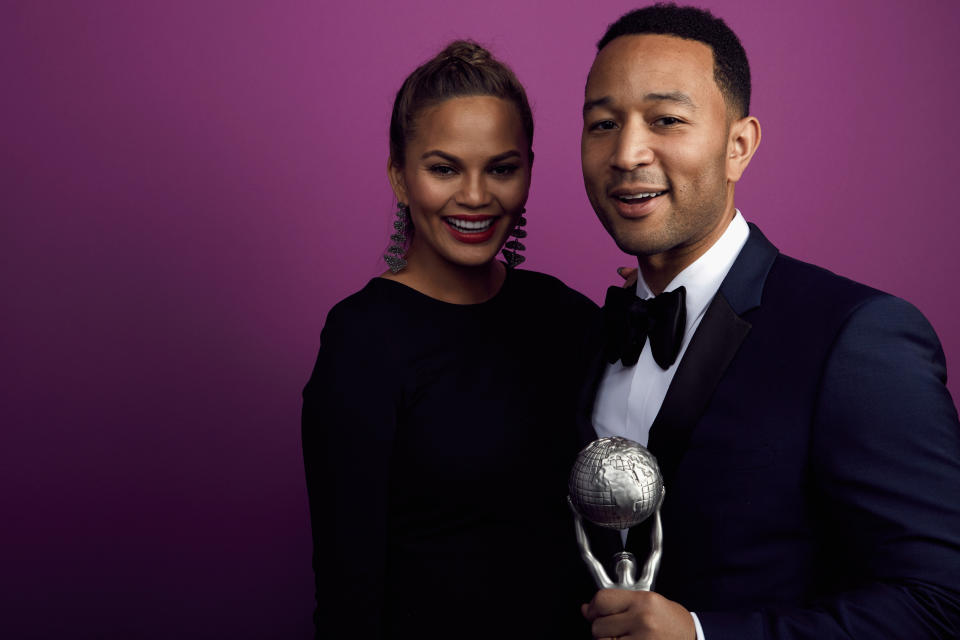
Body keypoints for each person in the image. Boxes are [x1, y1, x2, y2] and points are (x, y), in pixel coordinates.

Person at [575, 4, 960, 639]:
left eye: (666, 120)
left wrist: (702, 635)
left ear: (738, 146)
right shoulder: (590, 335)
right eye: (602, 123)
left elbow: (938, 605)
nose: (626, 152)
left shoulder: (858, 336)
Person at [301, 41, 597, 638]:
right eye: (444, 168)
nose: (475, 196)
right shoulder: (363, 340)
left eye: (501, 168)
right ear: (400, 176)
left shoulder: (567, 316)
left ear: (529, 171)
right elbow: (347, 581)